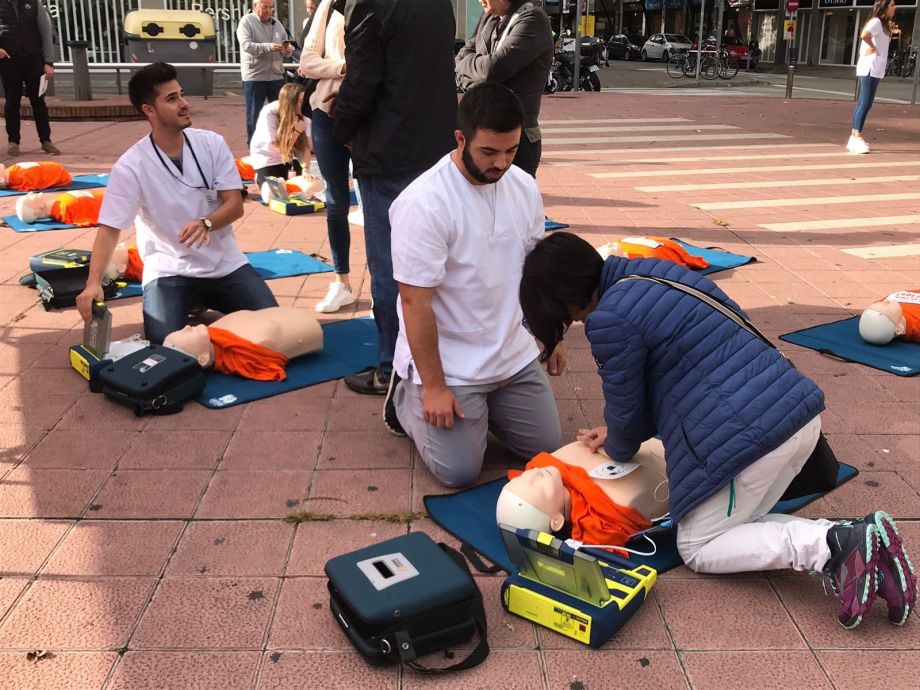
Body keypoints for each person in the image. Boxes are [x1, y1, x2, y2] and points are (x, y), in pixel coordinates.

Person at [518, 231, 916, 629]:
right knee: (734, 526)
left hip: (753, 442)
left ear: (566, 298)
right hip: (797, 415)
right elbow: (684, 367)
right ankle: (864, 544)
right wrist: (622, 429)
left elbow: (625, 414)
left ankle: (832, 547)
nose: (572, 322)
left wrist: (618, 442)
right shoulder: (653, 272)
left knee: (698, 545)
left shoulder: (609, 319)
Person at [388, 82, 563, 486]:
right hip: (451, 363)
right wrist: (435, 387)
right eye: (489, 151)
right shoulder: (425, 202)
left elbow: (535, 269)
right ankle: (405, 398)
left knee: (547, 450)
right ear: (460, 138)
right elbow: (414, 302)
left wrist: (551, 333)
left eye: (511, 150)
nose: (501, 163)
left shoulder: (523, 186)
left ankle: (488, 405)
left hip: (510, 352)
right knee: (459, 473)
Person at [75, 62, 278, 344]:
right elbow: (110, 228)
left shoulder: (212, 144)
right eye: (172, 99)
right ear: (149, 110)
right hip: (170, 268)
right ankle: (190, 303)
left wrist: (207, 222)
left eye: (181, 94)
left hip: (225, 265)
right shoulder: (131, 166)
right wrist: (93, 283)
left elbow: (234, 204)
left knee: (274, 325)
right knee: (166, 343)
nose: (184, 103)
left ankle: (199, 303)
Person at [333, 0, 458, 395]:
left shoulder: (371, 5)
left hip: (387, 151)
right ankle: (438, 361)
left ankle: (393, 368)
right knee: (439, 259)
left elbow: (361, 83)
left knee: (392, 266)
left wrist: (340, 128)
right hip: (436, 147)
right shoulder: (440, 5)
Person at [299, 0, 356, 314]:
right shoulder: (328, 7)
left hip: (370, 114)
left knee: (376, 201)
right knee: (335, 201)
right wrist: (344, 68)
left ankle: (384, 285)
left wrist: (333, 66)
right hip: (327, 111)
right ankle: (341, 282)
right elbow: (307, 63)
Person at [455, 0, 553, 178]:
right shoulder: (489, 17)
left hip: (515, 139)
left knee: (512, 195)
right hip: (481, 131)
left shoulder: (533, 20)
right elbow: (461, 56)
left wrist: (474, 73)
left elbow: (492, 70)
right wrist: (477, 75)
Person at [163, 307, 323, 381]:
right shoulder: (254, 344)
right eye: (184, 334)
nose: (186, 327)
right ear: (203, 359)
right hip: (306, 325)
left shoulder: (216, 329)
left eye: (180, 330)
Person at [0, 0, 59, 156]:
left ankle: (46, 140)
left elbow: (46, 34)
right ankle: (13, 142)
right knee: (12, 101)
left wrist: (48, 62)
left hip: (34, 59)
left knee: (38, 101)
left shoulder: (34, 4)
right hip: (9, 60)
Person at [237, 0, 294, 145]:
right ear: (255, 6)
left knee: (281, 112)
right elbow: (246, 45)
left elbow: (285, 43)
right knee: (254, 115)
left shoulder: (277, 23)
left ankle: (281, 145)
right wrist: (269, 47)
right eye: (265, 7)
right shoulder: (246, 22)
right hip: (255, 76)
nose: (269, 10)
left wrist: (287, 50)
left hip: (276, 76)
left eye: (271, 7)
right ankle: (253, 146)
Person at [849, 0, 897, 154]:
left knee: (864, 103)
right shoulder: (876, 22)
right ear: (884, 7)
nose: (895, 7)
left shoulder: (883, 24)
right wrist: (873, 47)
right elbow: (864, 35)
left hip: (875, 68)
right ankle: (857, 137)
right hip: (870, 66)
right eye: (892, 5)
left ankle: (854, 136)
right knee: (865, 103)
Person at [249, 82, 311, 186]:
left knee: (308, 186)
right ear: (291, 103)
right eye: (301, 102)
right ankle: (260, 177)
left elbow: (307, 146)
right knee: (275, 191)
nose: (306, 105)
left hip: (288, 157)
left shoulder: (304, 113)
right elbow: (280, 149)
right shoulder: (269, 112)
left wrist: (306, 169)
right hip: (267, 157)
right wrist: (296, 132)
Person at [15, 188, 104, 227]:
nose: (31, 194)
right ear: (37, 211)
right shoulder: (65, 206)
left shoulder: (61, 202)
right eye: (29, 198)